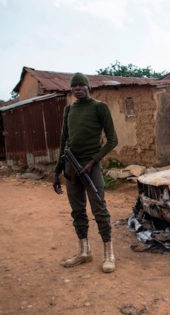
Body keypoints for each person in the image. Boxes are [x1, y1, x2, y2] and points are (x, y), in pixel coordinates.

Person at [53, 72, 118, 273]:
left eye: (82, 85)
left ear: (88, 87)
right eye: (75, 86)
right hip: (71, 166)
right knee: (77, 210)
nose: (78, 88)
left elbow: (112, 140)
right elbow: (64, 140)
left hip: (91, 167)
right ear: (71, 89)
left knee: (99, 207)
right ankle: (84, 251)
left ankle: (109, 254)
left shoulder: (100, 107)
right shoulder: (69, 110)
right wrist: (57, 171)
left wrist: (92, 162)